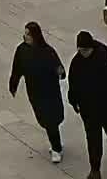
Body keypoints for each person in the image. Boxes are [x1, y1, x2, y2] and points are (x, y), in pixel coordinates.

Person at [68, 32, 107, 178]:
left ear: (91, 47)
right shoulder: (76, 62)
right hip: (88, 110)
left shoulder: (104, 61)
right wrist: (73, 100)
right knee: (93, 139)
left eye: (85, 50)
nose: (82, 53)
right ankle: (95, 169)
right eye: (80, 50)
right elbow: (73, 83)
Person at [9, 21, 66, 163]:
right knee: (45, 120)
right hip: (35, 92)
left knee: (51, 120)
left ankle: (56, 148)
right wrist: (13, 84)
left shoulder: (47, 51)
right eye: (25, 33)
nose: (25, 36)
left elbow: (59, 68)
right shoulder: (22, 50)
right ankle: (56, 143)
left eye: (28, 34)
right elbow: (17, 69)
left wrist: (60, 72)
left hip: (50, 91)